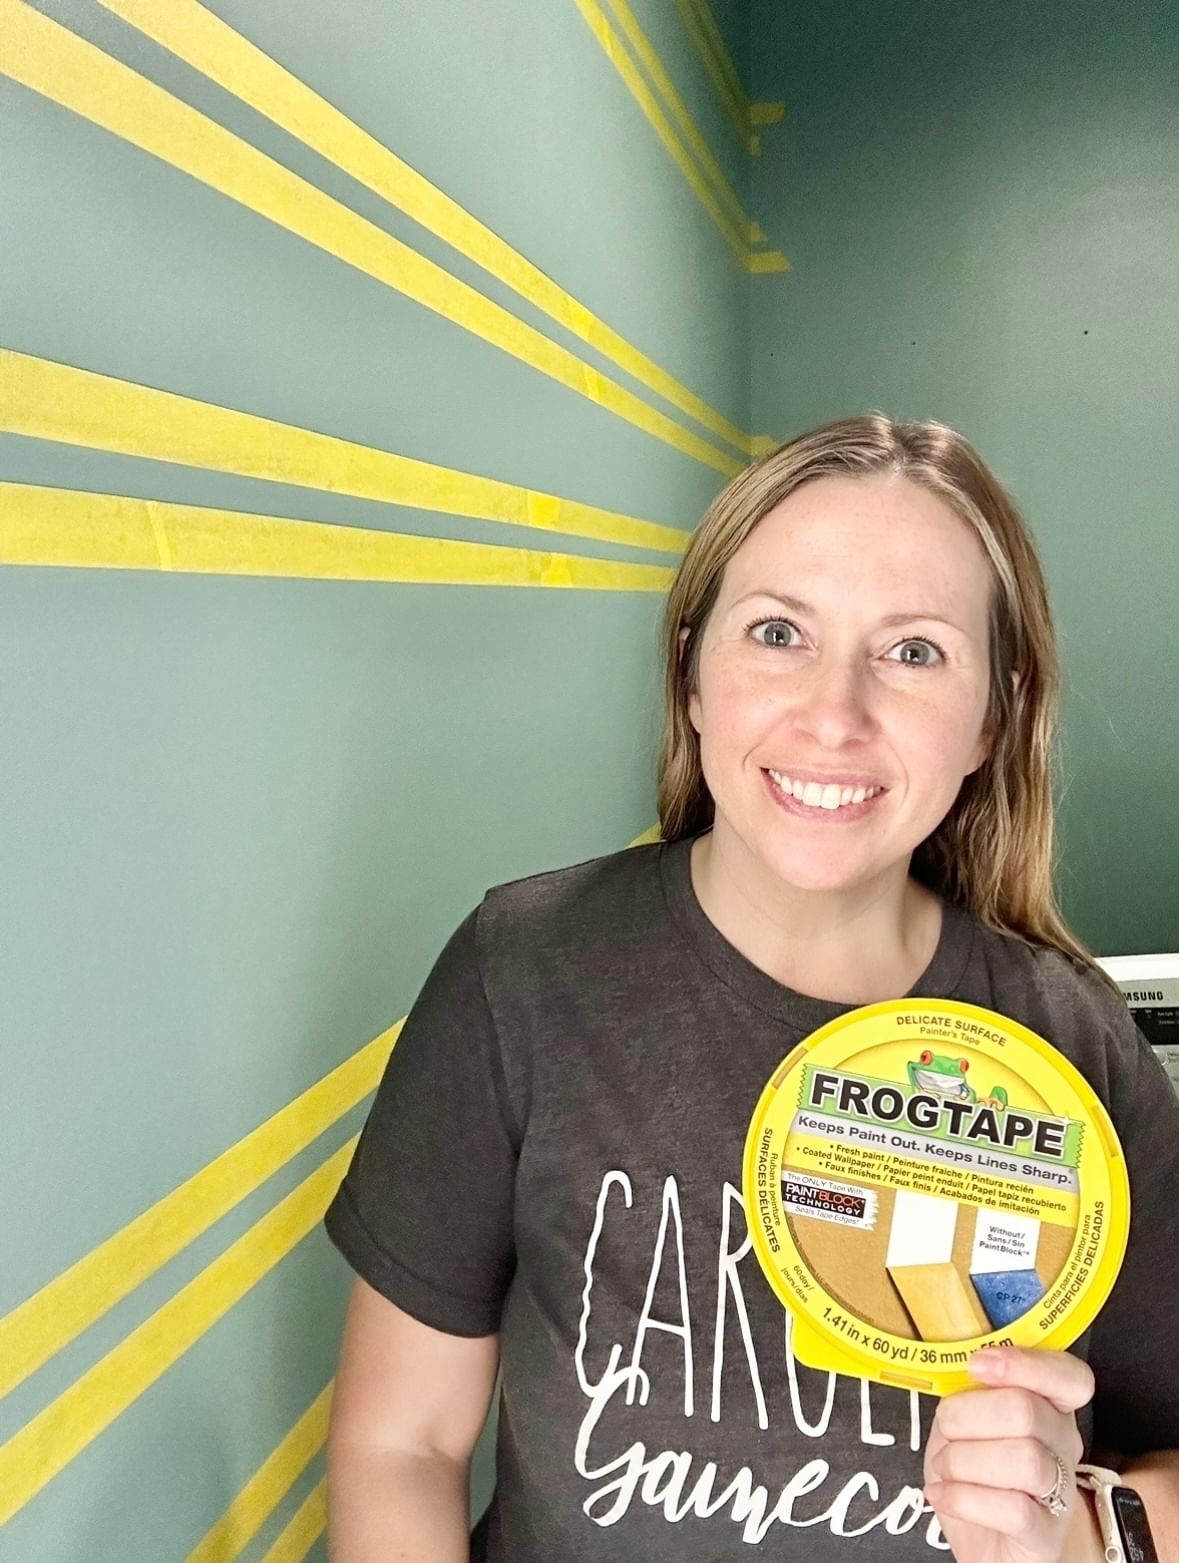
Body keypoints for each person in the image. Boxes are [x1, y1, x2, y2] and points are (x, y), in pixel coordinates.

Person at [321, 416, 1179, 1562]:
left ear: (993, 716)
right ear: (692, 674)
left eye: (914, 651)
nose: (834, 715)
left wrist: (1078, 1534)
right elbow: (402, 1446)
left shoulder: (1072, 1044)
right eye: (779, 633)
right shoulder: (523, 970)